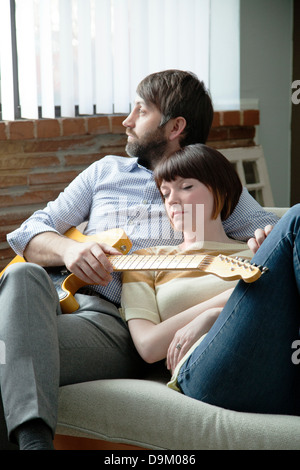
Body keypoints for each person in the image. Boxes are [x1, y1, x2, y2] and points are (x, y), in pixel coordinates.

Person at [0, 70, 279, 450]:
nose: (126, 121)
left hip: (112, 321)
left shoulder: (205, 180)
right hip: (46, 299)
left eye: (140, 111)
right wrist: (69, 250)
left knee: (8, 350)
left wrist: (263, 236)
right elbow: (30, 232)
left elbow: (271, 235)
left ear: (174, 126)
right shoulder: (105, 172)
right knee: (21, 276)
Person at [121, 144, 300, 417]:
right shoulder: (146, 260)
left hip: (278, 371)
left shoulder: (254, 253)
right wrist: (224, 305)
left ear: (221, 190)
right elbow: (148, 346)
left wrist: (214, 315)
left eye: (186, 186)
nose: (172, 200)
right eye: (165, 192)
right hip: (204, 371)